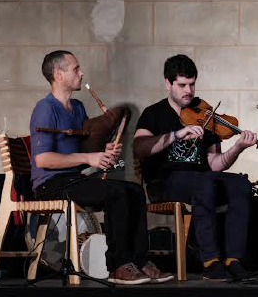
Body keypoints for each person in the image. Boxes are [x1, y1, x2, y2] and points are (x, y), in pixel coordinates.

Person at [30, 50, 172, 285]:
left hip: (74, 180)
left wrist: (103, 152)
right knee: (115, 193)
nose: (81, 72)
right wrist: (90, 158)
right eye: (75, 68)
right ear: (58, 74)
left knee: (134, 190)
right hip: (50, 185)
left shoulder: (76, 108)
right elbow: (43, 160)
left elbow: (85, 149)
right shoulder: (45, 108)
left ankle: (137, 260)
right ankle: (117, 266)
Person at [133, 55, 258, 280]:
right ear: (168, 84)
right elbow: (139, 148)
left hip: (203, 181)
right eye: (182, 85)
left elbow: (215, 164)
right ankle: (210, 261)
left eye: (192, 84)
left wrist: (238, 147)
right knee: (205, 182)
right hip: (165, 183)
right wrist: (175, 135)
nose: (188, 91)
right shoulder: (154, 114)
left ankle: (234, 259)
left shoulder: (204, 114)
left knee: (240, 183)